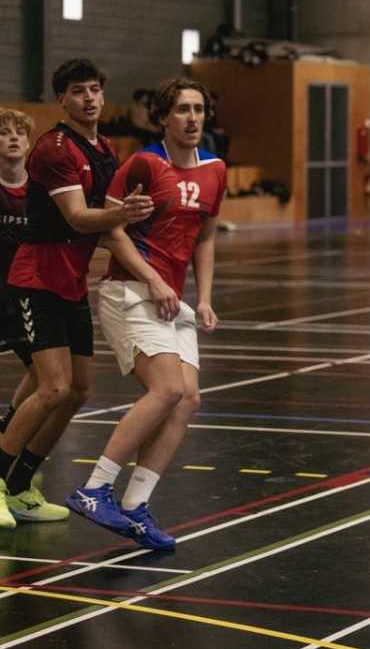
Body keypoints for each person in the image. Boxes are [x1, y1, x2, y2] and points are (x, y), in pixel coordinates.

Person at [67, 78, 225, 550]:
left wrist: (205, 297)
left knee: (188, 399)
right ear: (164, 118)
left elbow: (207, 236)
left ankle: (135, 506)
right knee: (168, 388)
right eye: (182, 110)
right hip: (131, 289)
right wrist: (153, 279)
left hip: (174, 298)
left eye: (198, 109)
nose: (192, 118)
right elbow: (111, 230)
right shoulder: (143, 163)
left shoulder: (216, 170)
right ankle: (94, 488)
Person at [0, 60, 153, 529]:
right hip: (37, 277)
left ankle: (23, 486)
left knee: (80, 389)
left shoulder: (104, 148)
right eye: (77, 91)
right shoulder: (55, 148)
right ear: (62, 100)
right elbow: (78, 217)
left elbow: (107, 220)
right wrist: (124, 214)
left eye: (94, 90)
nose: (88, 98)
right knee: (53, 386)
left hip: (71, 282)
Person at [0, 109, 44, 520]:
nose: (12, 138)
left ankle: (8, 428)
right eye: (4, 133)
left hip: (24, 301)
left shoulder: (38, 192)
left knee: (47, 376)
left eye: (19, 133)